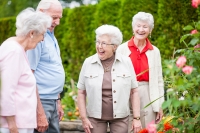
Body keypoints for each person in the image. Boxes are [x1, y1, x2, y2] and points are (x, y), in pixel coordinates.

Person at [77, 24, 142, 133]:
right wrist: (84, 118)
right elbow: (81, 92)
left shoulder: (126, 62)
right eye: (97, 42)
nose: (99, 46)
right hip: (95, 119)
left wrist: (136, 118)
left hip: (120, 118)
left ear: (115, 46)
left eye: (104, 43)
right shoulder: (88, 62)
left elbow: (134, 91)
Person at [0, 8, 52, 133]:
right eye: (43, 34)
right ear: (32, 33)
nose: (43, 39)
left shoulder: (20, 50)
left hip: (21, 123)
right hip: (14, 125)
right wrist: (12, 126)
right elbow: (6, 90)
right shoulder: (13, 51)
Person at [117, 12, 164, 129]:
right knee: (127, 128)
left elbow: (159, 80)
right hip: (126, 92)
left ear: (150, 30)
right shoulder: (122, 49)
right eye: (138, 26)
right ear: (133, 28)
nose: (141, 29)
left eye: (145, 26)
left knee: (147, 129)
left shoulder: (154, 51)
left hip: (147, 93)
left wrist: (160, 106)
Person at [26, 0, 65, 133]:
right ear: (41, 12)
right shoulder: (35, 37)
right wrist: (39, 112)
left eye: (59, 18)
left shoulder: (51, 35)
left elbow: (52, 68)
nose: (58, 22)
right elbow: (28, 77)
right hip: (40, 102)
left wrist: (58, 101)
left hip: (52, 101)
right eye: (54, 17)